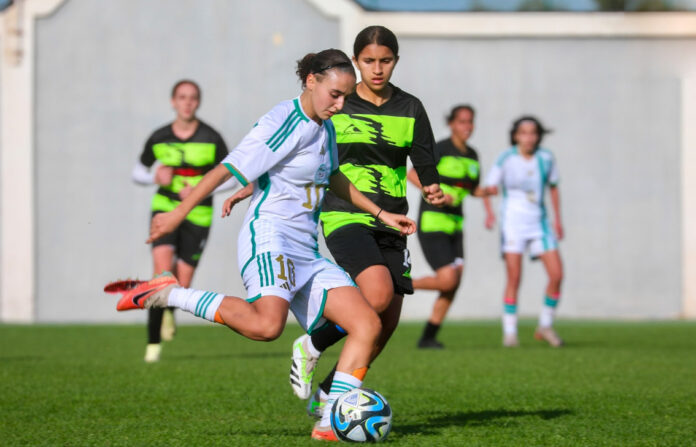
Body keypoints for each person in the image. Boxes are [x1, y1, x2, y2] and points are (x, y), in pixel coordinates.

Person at [110, 49, 416, 441]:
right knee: (266, 325)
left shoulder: (326, 127)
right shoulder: (283, 120)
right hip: (271, 238)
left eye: (345, 96)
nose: (340, 105)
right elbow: (226, 168)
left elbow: (334, 177)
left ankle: (328, 424)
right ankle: (169, 293)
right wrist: (177, 214)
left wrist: (381, 213)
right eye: (335, 95)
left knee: (367, 323)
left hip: (306, 249)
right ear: (311, 81)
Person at [286, 25, 445, 416]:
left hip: (393, 219)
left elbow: (424, 158)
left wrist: (432, 187)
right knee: (374, 295)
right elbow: (295, 146)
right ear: (355, 62)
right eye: (369, 61)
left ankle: (328, 396)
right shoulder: (337, 104)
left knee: (385, 323)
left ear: (395, 61)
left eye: (385, 60)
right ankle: (313, 343)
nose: (377, 69)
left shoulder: (410, 107)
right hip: (346, 214)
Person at [131, 80, 229, 362]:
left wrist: (200, 190)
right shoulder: (159, 136)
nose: (187, 103)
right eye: (182, 98)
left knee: (181, 284)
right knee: (161, 277)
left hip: (198, 214)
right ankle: (152, 347)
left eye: (192, 98)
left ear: (198, 103)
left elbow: (232, 175)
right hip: (164, 210)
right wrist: (154, 177)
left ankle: (169, 313)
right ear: (173, 102)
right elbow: (138, 171)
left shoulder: (211, 137)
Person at [407, 104, 496, 349]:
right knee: (447, 280)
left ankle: (428, 337)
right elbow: (413, 174)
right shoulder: (441, 149)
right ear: (452, 124)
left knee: (453, 285)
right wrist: (435, 193)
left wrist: (489, 197)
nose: (467, 127)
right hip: (434, 223)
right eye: (462, 121)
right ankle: (402, 284)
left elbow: (472, 189)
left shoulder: (472, 155)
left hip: (456, 227)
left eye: (470, 121)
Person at [483, 116, 564, 347]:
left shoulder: (546, 158)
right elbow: (489, 188)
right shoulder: (506, 159)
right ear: (516, 135)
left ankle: (545, 326)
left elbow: (554, 188)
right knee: (514, 277)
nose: (529, 137)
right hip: (513, 225)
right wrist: (489, 212)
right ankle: (510, 332)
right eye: (524, 132)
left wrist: (558, 220)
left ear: (538, 136)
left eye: (533, 132)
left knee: (557, 275)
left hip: (540, 223)